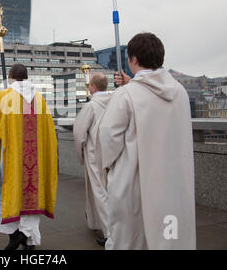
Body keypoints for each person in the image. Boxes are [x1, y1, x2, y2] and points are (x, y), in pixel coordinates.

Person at [95, 33, 196, 250]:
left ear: (133, 60)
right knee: (171, 238)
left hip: (134, 183)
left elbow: (108, 137)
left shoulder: (126, 95)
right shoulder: (179, 92)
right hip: (173, 184)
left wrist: (107, 169)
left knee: (131, 239)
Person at [0, 64, 58, 250]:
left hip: (11, 159)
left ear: (10, 76)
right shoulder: (40, 99)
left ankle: (15, 235)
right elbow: (49, 131)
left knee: (5, 193)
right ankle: (30, 238)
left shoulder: (3, 97)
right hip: (36, 160)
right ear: (27, 77)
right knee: (32, 194)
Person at [73, 72, 111, 247]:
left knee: (99, 191)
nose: (88, 87)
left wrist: (80, 153)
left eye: (89, 85)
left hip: (95, 154)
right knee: (112, 191)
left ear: (94, 87)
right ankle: (104, 224)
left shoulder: (91, 106)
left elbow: (79, 132)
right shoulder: (115, 102)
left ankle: (110, 233)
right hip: (113, 152)